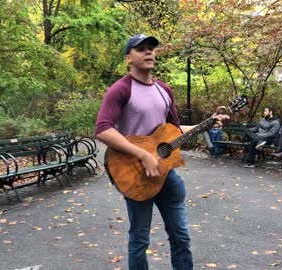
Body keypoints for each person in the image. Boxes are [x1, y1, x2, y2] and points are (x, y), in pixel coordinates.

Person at [94, 34, 229, 270]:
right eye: (141, 49)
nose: (148, 52)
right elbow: (103, 129)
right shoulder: (121, 90)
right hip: (135, 176)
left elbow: (173, 131)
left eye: (151, 49)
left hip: (166, 175)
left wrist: (208, 123)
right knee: (140, 240)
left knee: (181, 236)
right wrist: (143, 154)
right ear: (128, 58)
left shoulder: (164, 90)